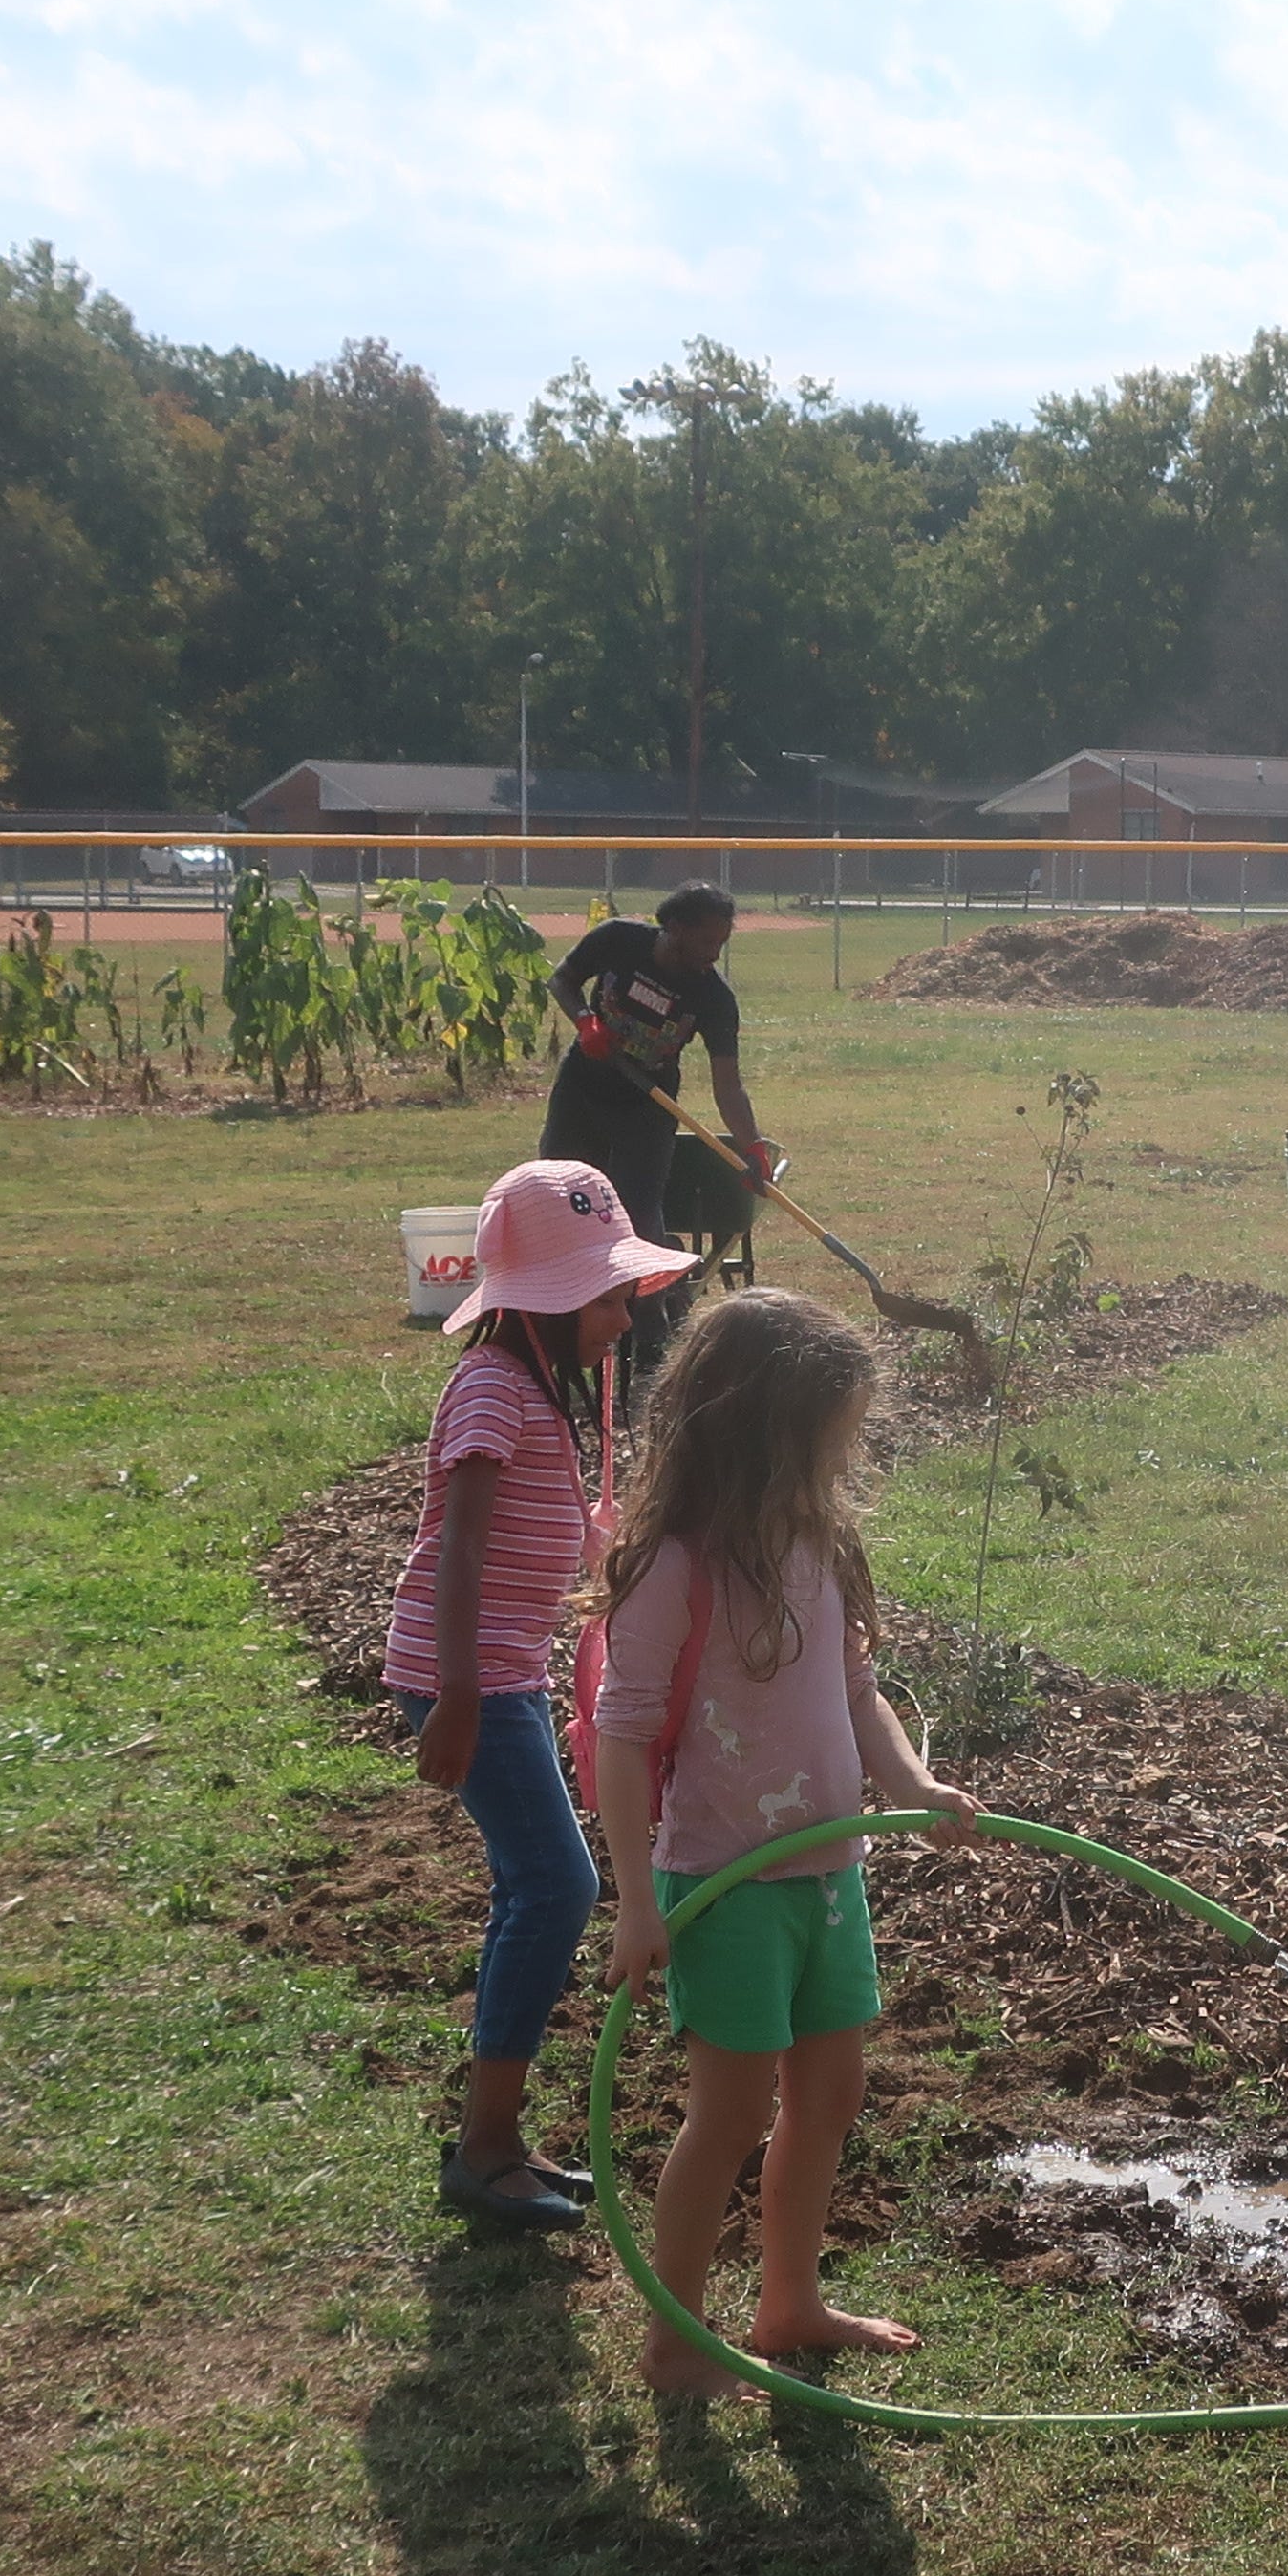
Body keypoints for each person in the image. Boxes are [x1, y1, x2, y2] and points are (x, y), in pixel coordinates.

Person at [588, 1286, 982, 2395]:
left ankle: (789, 2304)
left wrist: (910, 1780)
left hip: (826, 1874)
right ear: (766, 1433)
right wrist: (634, 1898)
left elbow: (856, 1689)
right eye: (832, 1435)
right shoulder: (676, 1569)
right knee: (729, 2114)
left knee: (832, 2095)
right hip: (725, 1883)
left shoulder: (817, 1541)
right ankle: (676, 2336)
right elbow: (621, 1738)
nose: (844, 1456)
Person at [387, 1158, 697, 2233]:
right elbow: (459, 1549)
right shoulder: (487, 1387)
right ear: (554, 1300)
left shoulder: (531, 1390)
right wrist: (462, 1695)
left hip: (496, 1671)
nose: (623, 1317)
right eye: (610, 1297)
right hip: (465, 1673)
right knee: (556, 1886)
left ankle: (499, 2135)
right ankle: (484, 2147)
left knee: (541, 1884)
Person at [543, 884, 774, 1317]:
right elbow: (563, 979)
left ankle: (651, 1333)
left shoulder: (714, 998)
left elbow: (728, 1084)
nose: (715, 954)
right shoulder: (617, 939)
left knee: (639, 1217)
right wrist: (585, 1020)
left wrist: (753, 1146)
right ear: (674, 928)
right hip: (583, 1088)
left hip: (647, 1107)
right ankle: (563, 1311)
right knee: (560, 1197)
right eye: (708, 941)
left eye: (722, 943)